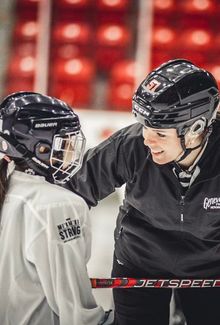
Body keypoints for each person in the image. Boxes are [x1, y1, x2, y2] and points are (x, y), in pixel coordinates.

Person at [66, 59, 220, 325]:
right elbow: (72, 190)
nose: (147, 140)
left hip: (209, 269)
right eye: (145, 127)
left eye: (159, 133)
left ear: (195, 131)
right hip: (139, 261)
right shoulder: (132, 144)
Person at [0, 91, 113, 325]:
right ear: (39, 147)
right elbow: (77, 314)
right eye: (65, 142)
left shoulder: (10, 189)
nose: (71, 150)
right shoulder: (57, 205)